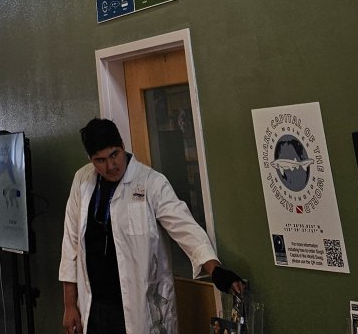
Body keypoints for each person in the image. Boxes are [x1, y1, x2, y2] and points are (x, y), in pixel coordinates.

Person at [59, 119, 244, 334]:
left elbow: (185, 229)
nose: (110, 166)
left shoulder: (151, 182)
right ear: (90, 159)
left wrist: (215, 270)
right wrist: (70, 306)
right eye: (100, 160)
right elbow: (71, 244)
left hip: (141, 305)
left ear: (123, 145)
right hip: (94, 304)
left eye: (114, 155)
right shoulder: (82, 181)